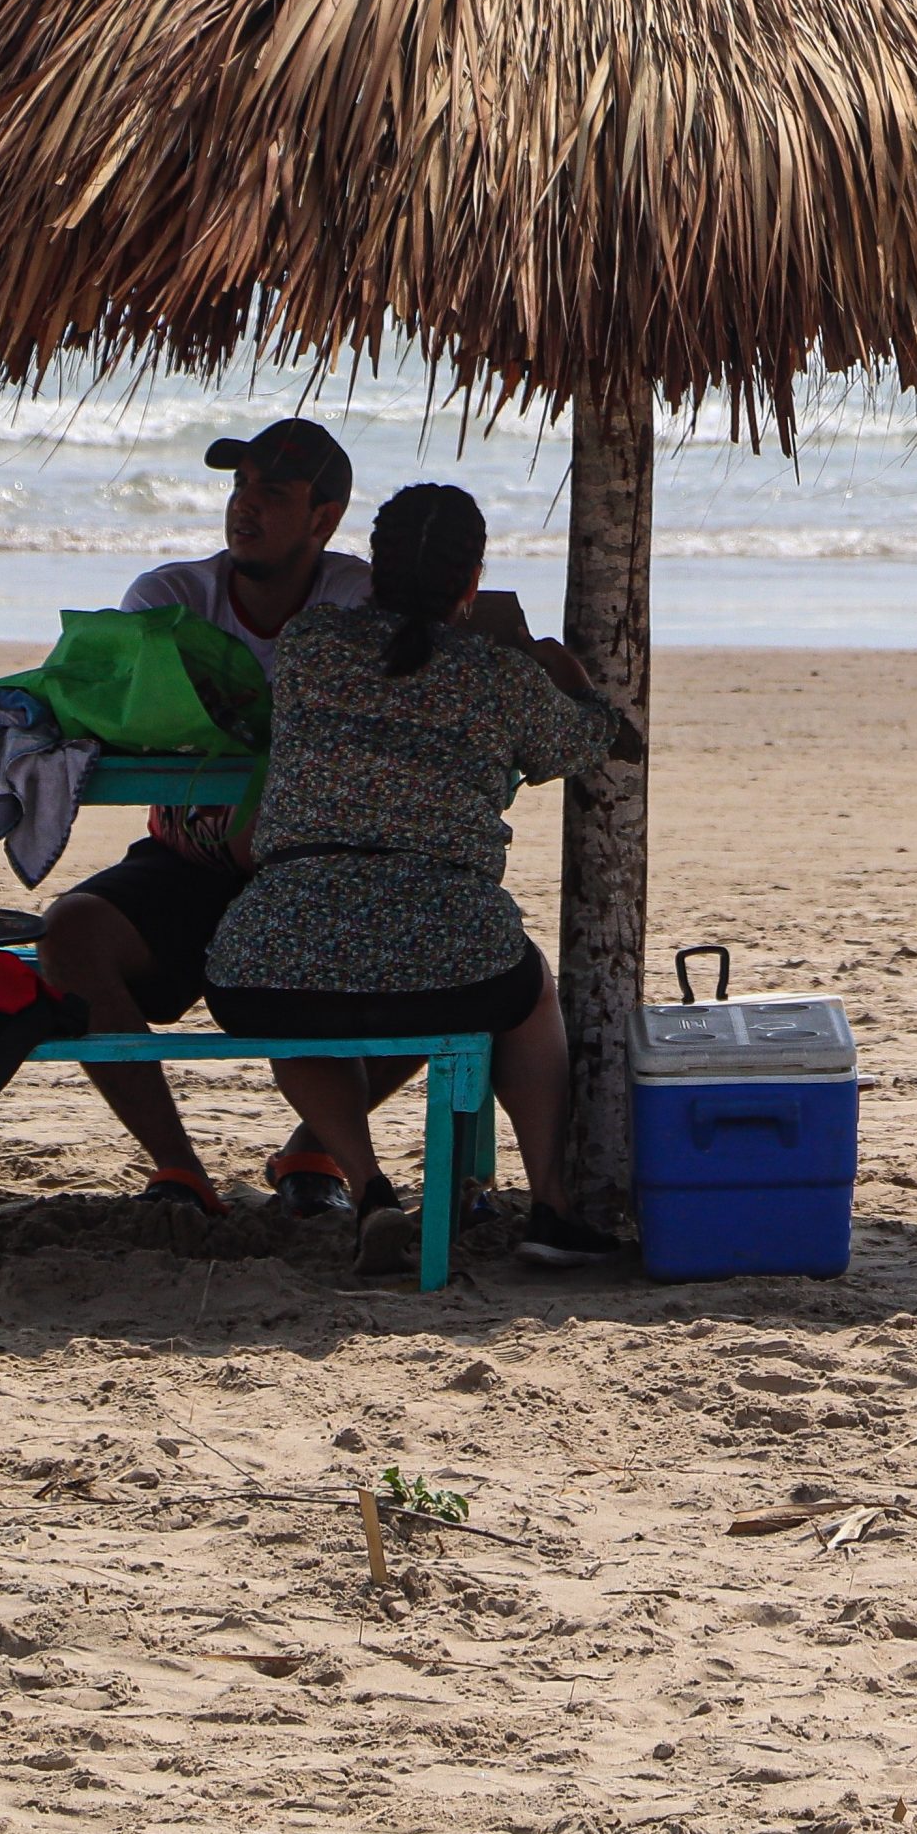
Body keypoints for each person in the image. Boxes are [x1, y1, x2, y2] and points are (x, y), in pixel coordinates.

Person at [203, 482, 629, 1275]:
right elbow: (590, 741)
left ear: (373, 569)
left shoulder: (309, 642)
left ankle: (369, 1190)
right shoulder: (497, 676)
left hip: (273, 948)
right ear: (471, 580)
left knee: (295, 1003)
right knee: (528, 987)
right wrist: (561, 671)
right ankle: (552, 1206)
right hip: (451, 954)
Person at [36, 417, 406, 1215]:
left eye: (273, 492)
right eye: (239, 487)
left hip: (311, 866)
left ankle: (312, 1153)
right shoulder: (170, 598)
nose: (246, 507)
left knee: (447, 958)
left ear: (324, 517)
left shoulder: (358, 598)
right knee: (69, 935)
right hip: (190, 859)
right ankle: (179, 1170)